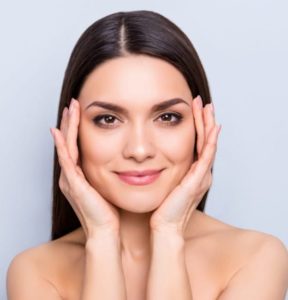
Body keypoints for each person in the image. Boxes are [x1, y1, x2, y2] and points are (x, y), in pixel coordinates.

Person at [6, 10, 288, 300]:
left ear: (201, 126)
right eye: (108, 119)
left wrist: (169, 233)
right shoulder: (36, 271)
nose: (139, 150)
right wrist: (102, 239)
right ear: (72, 133)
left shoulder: (256, 258)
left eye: (167, 117)